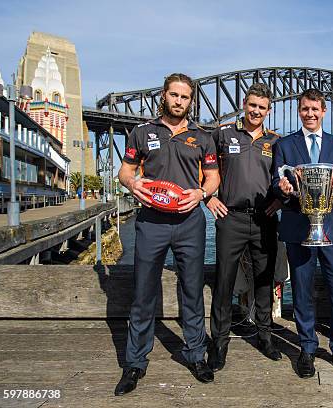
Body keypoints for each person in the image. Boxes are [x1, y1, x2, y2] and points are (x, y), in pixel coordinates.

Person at [115, 73, 220, 395]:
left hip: (190, 222)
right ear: (164, 95)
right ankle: (135, 363)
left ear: (191, 101)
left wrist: (202, 193)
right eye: (174, 95)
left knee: (191, 290)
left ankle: (195, 354)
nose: (179, 101)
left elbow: (214, 177)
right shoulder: (142, 132)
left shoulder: (202, 137)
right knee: (144, 292)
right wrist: (131, 183)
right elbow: (125, 170)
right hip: (151, 221)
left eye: (185, 97)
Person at [272, 89, 333, 379]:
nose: (310, 114)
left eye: (315, 109)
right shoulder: (285, 144)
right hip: (298, 227)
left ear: (324, 111)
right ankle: (307, 348)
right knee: (301, 289)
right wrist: (282, 188)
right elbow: (276, 180)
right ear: (299, 111)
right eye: (304, 109)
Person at [207, 83, 283, 372]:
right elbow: (201, 164)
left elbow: (283, 177)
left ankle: (265, 336)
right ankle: (220, 342)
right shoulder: (222, 134)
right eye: (252, 105)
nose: (256, 111)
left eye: (262, 107)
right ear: (244, 103)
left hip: (264, 219)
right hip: (231, 217)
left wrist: (279, 200)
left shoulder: (276, 142)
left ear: (268, 110)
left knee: (264, 280)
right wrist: (208, 197)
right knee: (224, 281)